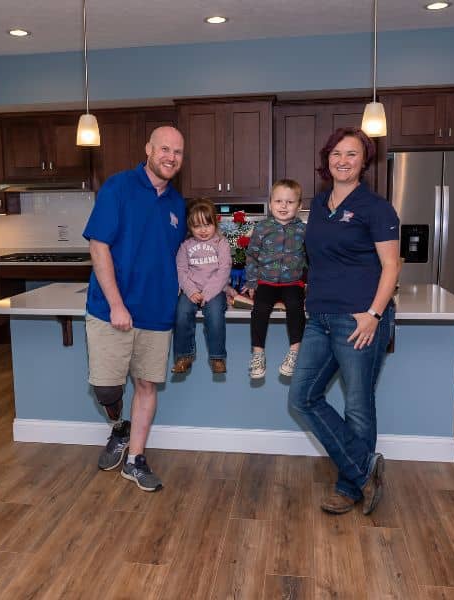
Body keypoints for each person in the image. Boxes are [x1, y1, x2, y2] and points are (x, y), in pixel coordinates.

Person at [288, 127, 400, 516]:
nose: (343, 160)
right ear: (327, 159)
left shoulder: (376, 208)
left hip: (359, 319)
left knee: (357, 405)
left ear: (364, 161)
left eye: (352, 154)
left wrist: (374, 315)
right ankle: (365, 469)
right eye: (336, 153)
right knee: (302, 397)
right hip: (318, 317)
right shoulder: (319, 205)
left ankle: (349, 487)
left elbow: (391, 266)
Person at [83, 126, 185, 492]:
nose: (171, 157)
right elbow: (98, 246)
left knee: (146, 384)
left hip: (157, 312)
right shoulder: (118, 188)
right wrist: (116, 304)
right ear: (148, 150)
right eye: (164, 149)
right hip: (111, 310)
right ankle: (119, 426)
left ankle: (135, 460)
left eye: (177, 152)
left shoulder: (177, 204)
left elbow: (180, 256)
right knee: (106, 389)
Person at [243, 179, 307, 379]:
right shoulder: (262, 228)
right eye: (279, 201)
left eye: (290, 202)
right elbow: (252, 256)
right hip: (266, 282)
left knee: (296, 308)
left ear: (299, 206)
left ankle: (295, 352)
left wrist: (313, 283)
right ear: (270, 204)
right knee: (259, 310)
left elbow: (312, 258)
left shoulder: (303, 230)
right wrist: (252, 281)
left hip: (293, 283)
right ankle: (258, 353)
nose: (284, 206)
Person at [171, 198, 232, 374]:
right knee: (181, 313)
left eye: (207, 224)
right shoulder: (185, 246)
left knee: (215, 315)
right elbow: (181, 270)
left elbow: (224, 270)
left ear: (215, 223)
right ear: (190, 227)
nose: (203, 230)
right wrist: (191, 291)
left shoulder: (221, 243)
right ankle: (184, 356)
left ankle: (217, 357)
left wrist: (208, 293)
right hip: (191, 291)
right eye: (197, 226)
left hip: (215, 291)